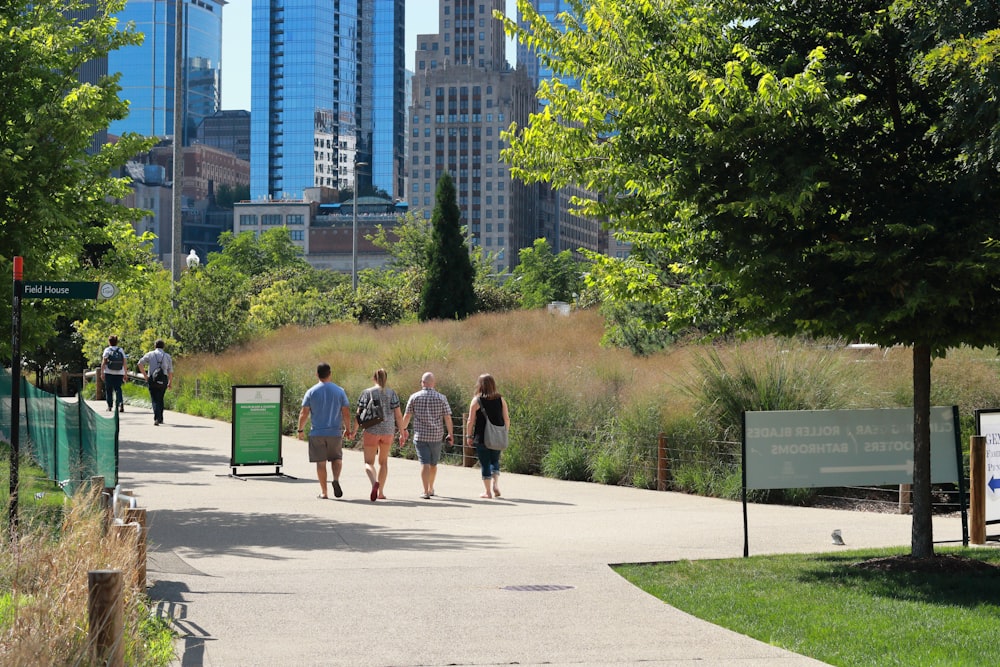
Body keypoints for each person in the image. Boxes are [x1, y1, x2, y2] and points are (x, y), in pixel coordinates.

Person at [297, 362, 354, 499]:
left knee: (320, 463)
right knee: (337, 459)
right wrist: (348, 428)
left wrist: (300, 430)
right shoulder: (339, 391)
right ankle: (335, 479)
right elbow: (345, 411)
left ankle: (324, 492)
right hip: (335, 432)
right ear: (330, 374)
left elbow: (304, 413)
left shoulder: (311, 391)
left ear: (317, 374)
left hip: (317, 432)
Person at [400, 372, 453, 499]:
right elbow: (447, 417)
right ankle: (430, 487)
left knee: (424, 463)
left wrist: (403, 430)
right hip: (436, 435)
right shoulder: (441, 397)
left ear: (422, 382)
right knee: (433, 464)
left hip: (420, 435)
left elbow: (407, 416)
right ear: (433, 383)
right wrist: (450, 433)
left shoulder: (414, 397)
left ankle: (425, 491)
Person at [356, 368, 406, 502]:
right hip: (388, 430)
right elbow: (399, 415)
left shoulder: (367, 393)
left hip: (371, 429)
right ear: (386, 379)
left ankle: (374, 483)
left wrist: (353, 430)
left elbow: (359, 414)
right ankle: (381, 492)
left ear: (374, 379)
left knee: (368, 462)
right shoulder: (392, 393)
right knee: (383, 462)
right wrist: (402, 432)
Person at [465, 373, 510, 499]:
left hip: (482, 436)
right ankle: (495, 484)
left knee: (485, 463)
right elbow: (506, 418)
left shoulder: (477, 400)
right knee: (494, 461)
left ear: (480, 385)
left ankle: (488, 492)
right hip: (497, 436)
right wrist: (504, 432)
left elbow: (470, 420)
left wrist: (468, 436)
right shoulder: (501, 399)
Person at [138, 339, 173, 426]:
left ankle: (156, 418)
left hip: (152, 379)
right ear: (163, 346)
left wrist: (145, 376)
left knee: (154, 399)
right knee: (160, 398)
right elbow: (170, 371)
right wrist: (170, 382)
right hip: (163, 379)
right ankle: (160, 418)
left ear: (155, 346)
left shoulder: (150, 354)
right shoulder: (167, 356)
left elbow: (140, 363)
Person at [100, 335, 128, 413]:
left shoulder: (107, 350)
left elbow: (104, 362)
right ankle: (120, 403)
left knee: (109, 389)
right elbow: (125, 362)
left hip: (109, 372)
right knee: (118, 389)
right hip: (119, 373)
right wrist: (125, 373)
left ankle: (109, 406)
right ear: (117, 342)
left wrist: (102, 373)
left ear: (109, 342)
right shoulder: (121, 350)